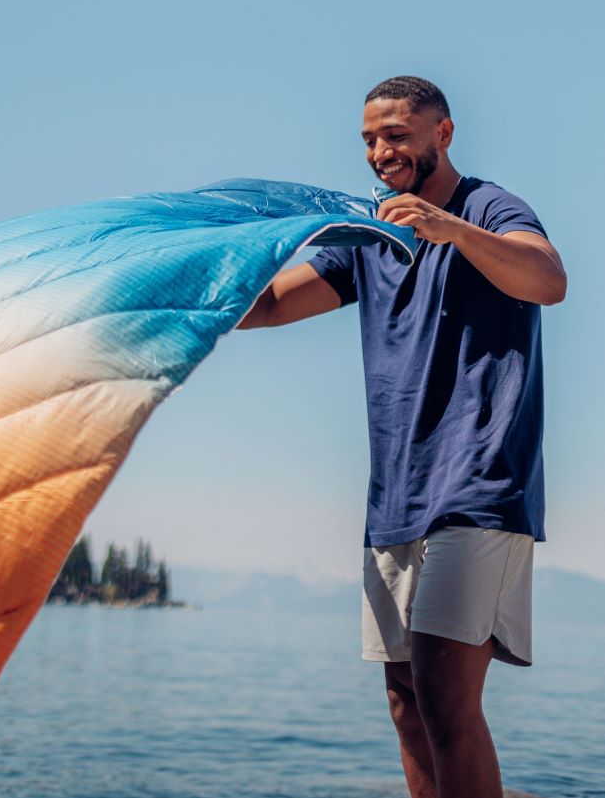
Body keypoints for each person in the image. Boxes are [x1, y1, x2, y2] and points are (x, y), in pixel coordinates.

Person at [238, 76, 567, 798]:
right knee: (406, 704)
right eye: (368, 138)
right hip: (396, 495)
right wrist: (181, 288)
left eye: (395, 134)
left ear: (441, 134)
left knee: (446, 696)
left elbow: (546, 280)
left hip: (479, 484)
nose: (380, 151)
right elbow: (266, 308)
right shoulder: (370, 235)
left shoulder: (487, 206)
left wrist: (451, 229)